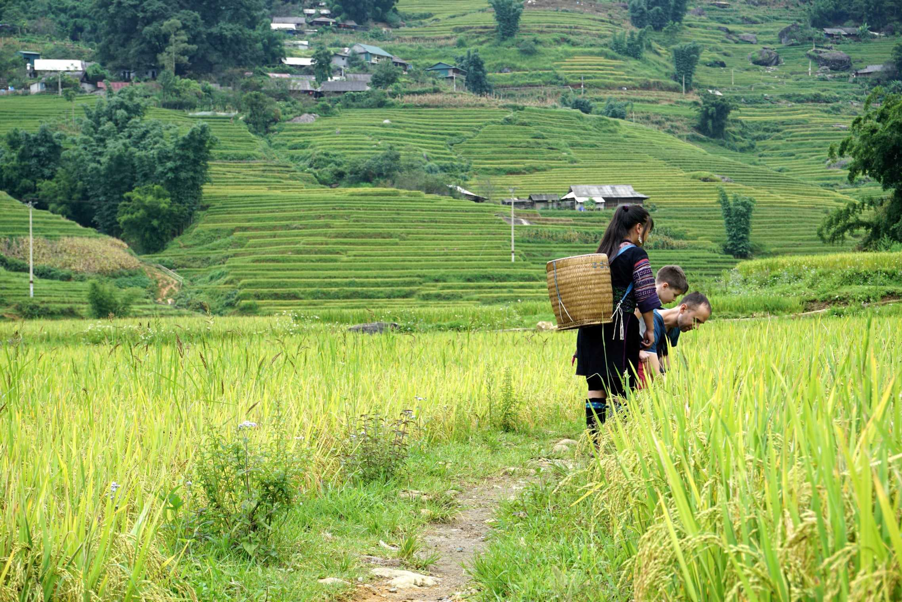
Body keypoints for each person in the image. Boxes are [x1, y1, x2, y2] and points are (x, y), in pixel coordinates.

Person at [575, 204, 660, 433]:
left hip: (591, 327)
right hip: (620, 328)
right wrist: (650, 330)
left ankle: (594, 442)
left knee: (596, 385)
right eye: (647, 231)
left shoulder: (601, 253)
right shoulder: (636, 254)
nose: (646, 237)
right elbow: (645, 295)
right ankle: (620, 441)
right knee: (623, 384)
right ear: (639, 228)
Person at [637, 265, 688, 385]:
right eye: (675, 295)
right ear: (665, 286)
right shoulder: (644, 304)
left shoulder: (654, 307)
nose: (675, 300)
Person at [645, 292, 712, 378]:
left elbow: (664, 360)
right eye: (696, 320)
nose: (697, 327)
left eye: (700, 323)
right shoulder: (650, 323)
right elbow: (651, 371)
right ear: (683, 309)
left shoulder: (675, 328)